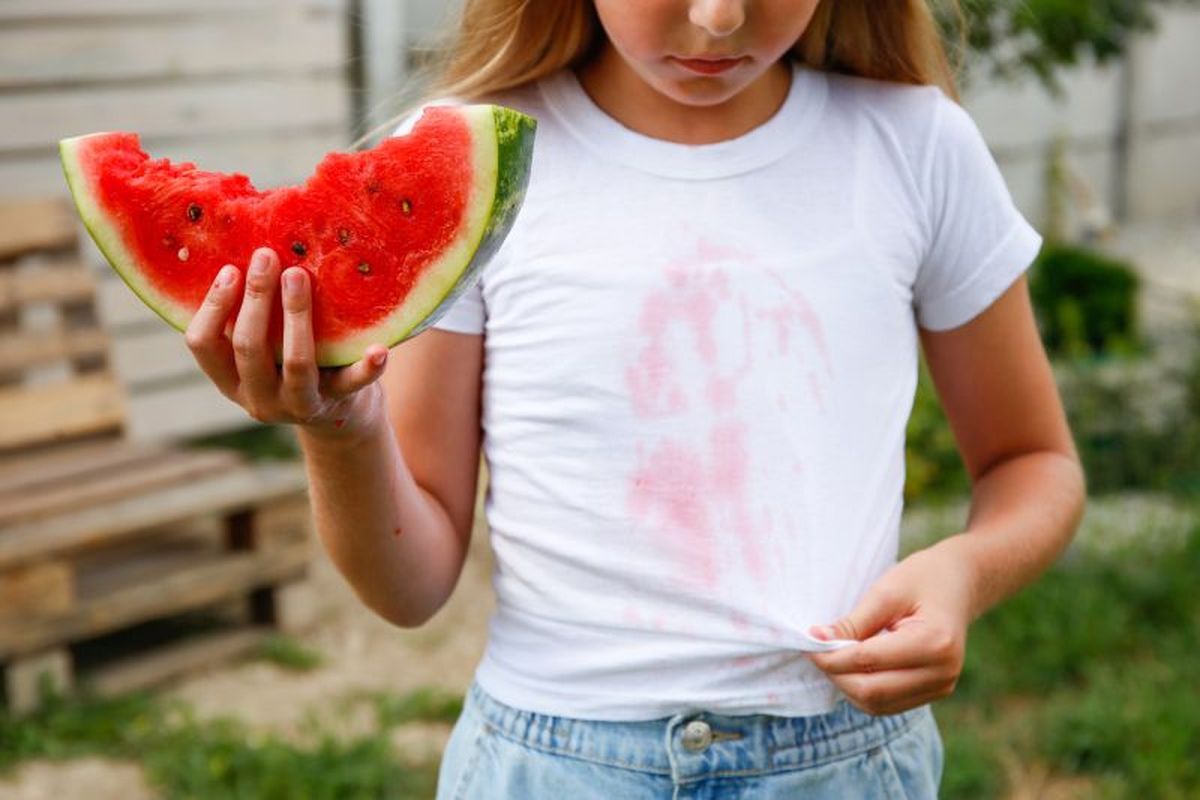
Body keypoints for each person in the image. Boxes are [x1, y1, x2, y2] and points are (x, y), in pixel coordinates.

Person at [184, 1, 1087, 796]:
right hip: (551, 765)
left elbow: (1035, 463)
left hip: (843, 765)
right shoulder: (468, 155)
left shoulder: (917, 146)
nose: (719, 18)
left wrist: (965, 573)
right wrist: (339, 431)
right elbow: (409, 587)